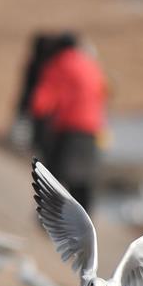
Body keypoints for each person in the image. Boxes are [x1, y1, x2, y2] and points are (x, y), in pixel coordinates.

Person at [30, 33, 106, 211]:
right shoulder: (90, 63)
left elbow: (41, 102)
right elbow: (103, 91)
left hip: (68, 128)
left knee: (54, 178)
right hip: (92, 128)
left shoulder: (59, 64)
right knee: (84, 180)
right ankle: (86, 219)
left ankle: (49, 219)